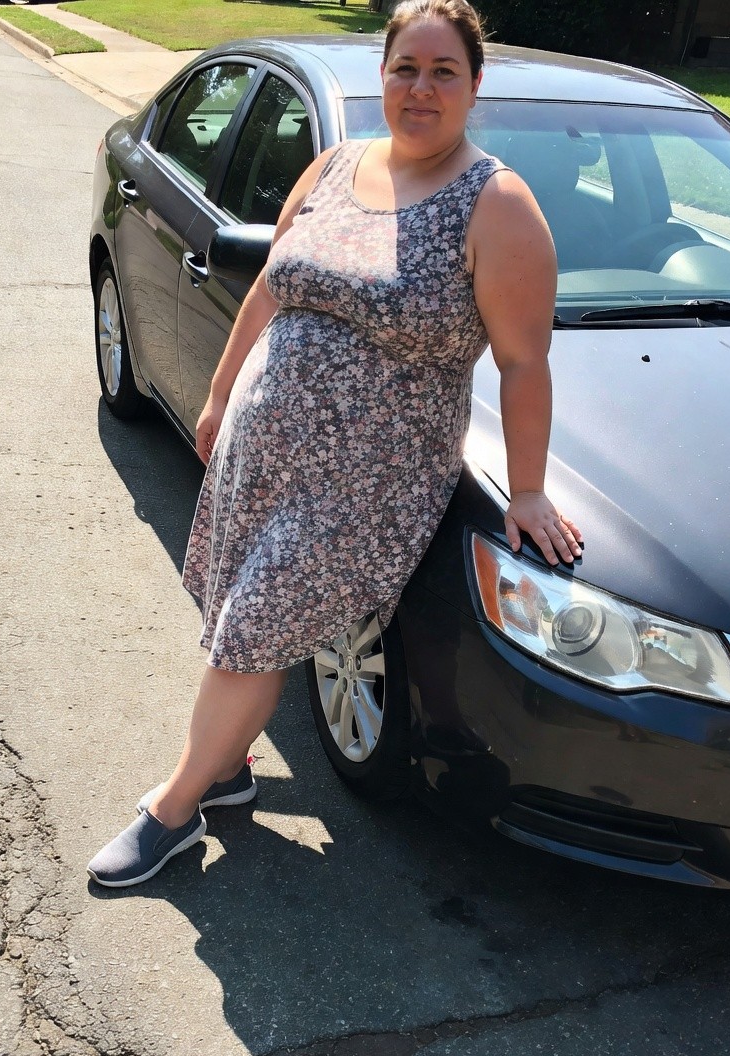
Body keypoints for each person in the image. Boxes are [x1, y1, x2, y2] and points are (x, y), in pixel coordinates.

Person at [87, 0, 583, 888]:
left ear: (475, 86)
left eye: (443, 72)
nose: (421, 88)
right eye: (406, 68)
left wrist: (534, 491)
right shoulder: (336, 163)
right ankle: (231, 771)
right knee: (232, 599)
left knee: (253, 627)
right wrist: (218, 393)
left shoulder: (496, 204)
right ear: (382, 75)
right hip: (265, 445)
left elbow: (523, 363)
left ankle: (173, 808)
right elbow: (273, 288)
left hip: (368, 481)